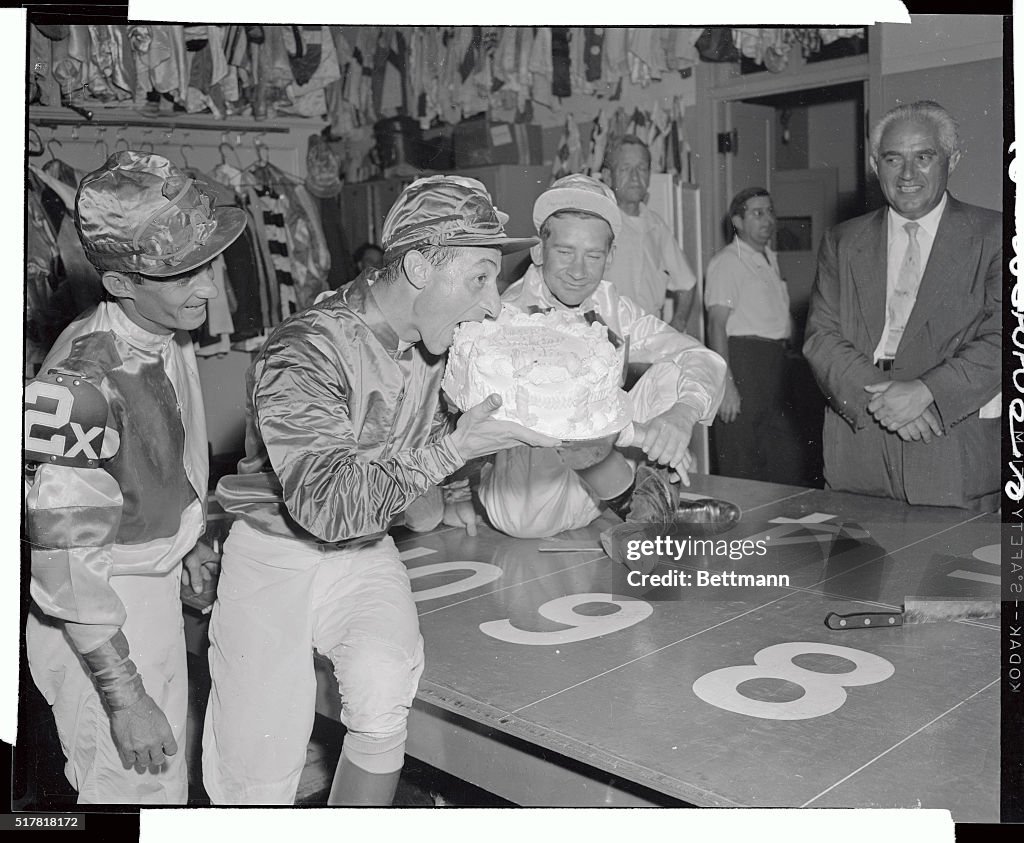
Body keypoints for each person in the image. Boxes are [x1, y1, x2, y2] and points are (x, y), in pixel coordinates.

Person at [202, 175, 558, 806]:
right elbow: (326, 506)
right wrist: (450, 453)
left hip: (365, 552)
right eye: (479, 278)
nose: (492, 304)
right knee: (254, 768)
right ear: (419, 265)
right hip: (274, 554)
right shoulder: (303, 351)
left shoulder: (440, 346)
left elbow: (424, 475)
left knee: (384, 687)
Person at [22, 151, 246, 803]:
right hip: (101, 623)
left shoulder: (164, 328)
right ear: (122, 285)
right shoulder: (80, 381)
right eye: (183, 275)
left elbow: (153, 463)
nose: (209, 288)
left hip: (142, 597)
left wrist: (182, 537)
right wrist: (123, 695)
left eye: (208, 263)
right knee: (132, 797)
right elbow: (65, 561)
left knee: (163, 790)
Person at [478, 173, 726, 539]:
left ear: (610, 257)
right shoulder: (508, 313)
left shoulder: (614, 307)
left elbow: (701, 357)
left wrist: (682, 415)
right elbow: (563, 417)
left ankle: (651, 507)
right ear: (537, 251)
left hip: (594, 494)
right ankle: (638, 506)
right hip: (530, 505)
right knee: (564, 409)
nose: (578, 272)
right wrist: (644, 435)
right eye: (564, 252)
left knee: (676, 374)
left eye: (593, 255)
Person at [803, 101, 1001, 511]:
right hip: (858, 446)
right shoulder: (842, 240)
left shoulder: (997, 236)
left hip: (951, 442)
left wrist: (927, 392)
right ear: (876, 165)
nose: (908, 174)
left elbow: (1007, 337)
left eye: (924, 157)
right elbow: (821, 337)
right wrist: (887, 401)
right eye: (893, 159)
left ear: (953, 159)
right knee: (854, 572)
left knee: (950, 574)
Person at [705, 187, 802, 484]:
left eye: (770, 211)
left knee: (783, 459)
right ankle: (744, 531)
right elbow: (716, 324)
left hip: (775, 363)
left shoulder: (768, 258)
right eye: (757, 213)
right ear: (737, 221)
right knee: (742, 461)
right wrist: (727, 385)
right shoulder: (728, 261)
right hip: (744, 361)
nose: (767, 219)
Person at [601, 135, 698, 331]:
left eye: (642, 168)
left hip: (649, 336)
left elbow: (687, 283)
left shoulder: (656, 226)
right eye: (625, 168)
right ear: (608, 176)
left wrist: (677, 325)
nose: (635, 177)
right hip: (605, 338)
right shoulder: (598, 223)